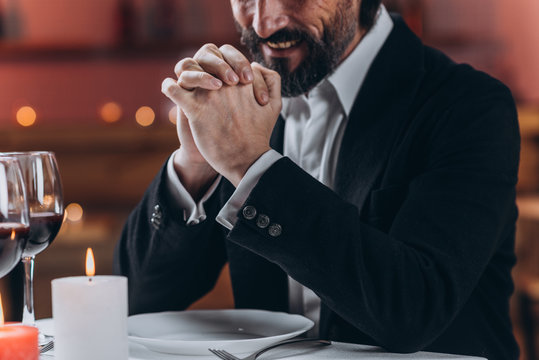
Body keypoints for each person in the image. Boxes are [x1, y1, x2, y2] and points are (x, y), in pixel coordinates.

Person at [113, 1, 520, 359]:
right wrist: (197, 162)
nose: (263, 24)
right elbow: (135, 301)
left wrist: (249, 165)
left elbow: (412, 312)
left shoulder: (470, 106)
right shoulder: (239, 108)